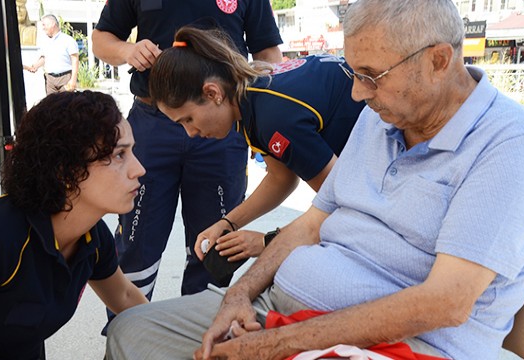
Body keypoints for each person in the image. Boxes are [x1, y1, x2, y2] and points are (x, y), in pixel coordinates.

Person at [105, 1, 524, 359]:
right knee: (132, 330)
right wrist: (239, 293)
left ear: (439, 61)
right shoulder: (383, 117)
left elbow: (445, 304)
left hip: (403, 345)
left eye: (371, 76)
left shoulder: (508, 145)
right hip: (288, 312)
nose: (357, 93)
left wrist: (279, 345)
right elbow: (312, 221)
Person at [0, 90, 148, 359]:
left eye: (132, 152)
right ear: (66, 171)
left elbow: (126, 298)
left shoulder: (91, 237)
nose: (138, 168)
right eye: (119, 155)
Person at [92, 0, 283, 300]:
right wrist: (128, 51)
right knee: (136, 240)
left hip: (221, 122)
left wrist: (268, 114)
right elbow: (101, 39)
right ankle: (128, 333)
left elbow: (269, 55)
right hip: (152, 121)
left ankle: (200, 336)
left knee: (215, 245)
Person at [148, 27, 365, 268]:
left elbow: (341, 204)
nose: (190, 133)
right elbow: (281, 177)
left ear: (212, 93)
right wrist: (228, 223)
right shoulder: (251, 94)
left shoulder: (272, 119)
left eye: (188, 119)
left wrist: (266, 241)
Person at [25, 14, 78, 94]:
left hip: (65, 79)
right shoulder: (44, 41)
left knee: (66, 104)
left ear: (52, 24)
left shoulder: (68, 40)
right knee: (51, 105)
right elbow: (44, 58)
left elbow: (75, 60)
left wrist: (73, 79)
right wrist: (34, 66)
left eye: (44, 25)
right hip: (50, 80)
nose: (43, 28)